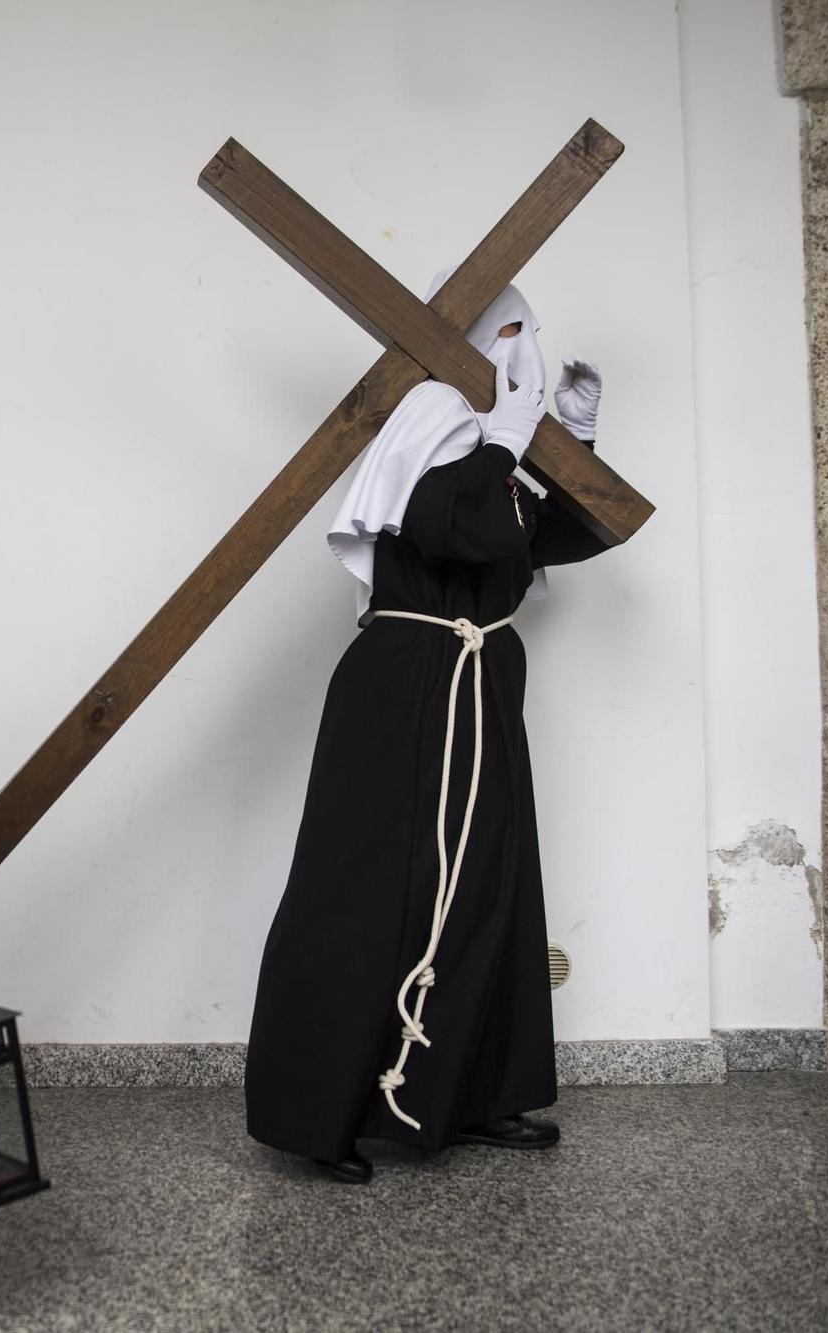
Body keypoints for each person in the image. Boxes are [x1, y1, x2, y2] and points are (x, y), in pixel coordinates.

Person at [244, 269, 610, 1182]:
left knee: (486, 882)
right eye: (505, 328)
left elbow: (535, 544)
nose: (519, 346)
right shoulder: (436, 413)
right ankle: (314, 1115)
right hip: (407, 677)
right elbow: (452, 526)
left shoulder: (495, 434)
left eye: (530, 327)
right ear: (463, 333)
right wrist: (506, 443)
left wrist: (573, 445)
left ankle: (466, 1095)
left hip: (481, 674)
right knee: (362, 886)